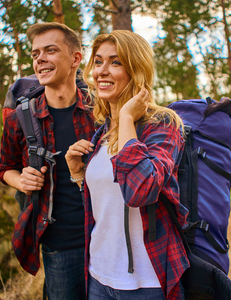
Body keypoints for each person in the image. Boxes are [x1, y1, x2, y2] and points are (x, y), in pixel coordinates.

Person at [65, 30, 189, 300]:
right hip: (98, 277)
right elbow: (106, 206)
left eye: (116, 62)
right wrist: (78, 174)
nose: (102, 72)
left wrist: (127, 118)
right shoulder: (102, 134)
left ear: (136, 70)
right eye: (98, 62)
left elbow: (139, 192)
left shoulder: (163, 126)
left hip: (147, 283)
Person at [0, 22, 95, 300]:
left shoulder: (100, 110)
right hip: (58, 245)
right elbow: (5, 168)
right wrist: (21, 180)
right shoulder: (20, 118)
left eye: (50, 50)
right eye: (35, 53)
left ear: (76, 58)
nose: (40, 58)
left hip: (106, 238)